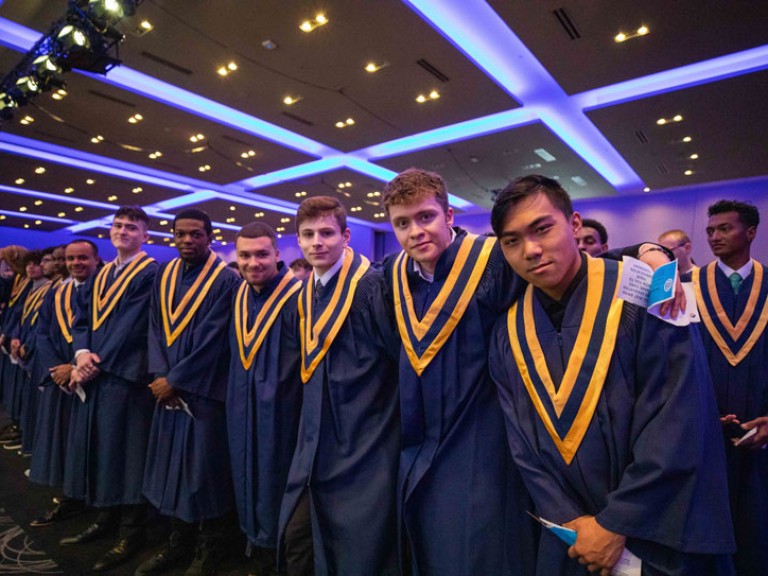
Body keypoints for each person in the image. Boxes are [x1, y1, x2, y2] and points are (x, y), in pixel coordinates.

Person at [488, 175, 735, 575]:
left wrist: (615, 524)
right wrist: (570, 520)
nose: (530, 250)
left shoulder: (647, 296)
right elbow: (522, 445)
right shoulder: (507, 330)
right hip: (571, 540)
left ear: (574, 225)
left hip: (655, 533)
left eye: (542, 228)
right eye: (512, 240)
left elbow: (678, 419)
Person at [381, 168, 537, 575]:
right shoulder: (394, 276)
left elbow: (567, 266)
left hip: (481, 433)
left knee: (481, 542)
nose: (415, 231)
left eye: (425, 217)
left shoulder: (493, 262)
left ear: (449, 215)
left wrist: (650, 251)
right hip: (418, 436)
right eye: (402, 223)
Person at [278, 196, 400, 576]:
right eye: (308, 234)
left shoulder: (373, 288)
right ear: (298, 240)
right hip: (315, 439)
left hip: (365, 437)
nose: (317, 242)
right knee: (298, 537)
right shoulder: (301, 295)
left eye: (327, 233)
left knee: (357, 542)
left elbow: (399, 363)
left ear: (346, 236)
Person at [139, 208, 240, 576]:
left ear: (210, 237)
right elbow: (153, 328)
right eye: (180, 234)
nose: (187, 240)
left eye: (196, 234)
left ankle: (210, 546)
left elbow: (214, 340)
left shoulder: (225, 281)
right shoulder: (164, 275)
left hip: (204, 392)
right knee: (171, 470)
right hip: (168, 391)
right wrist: (160, 374)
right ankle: (177, 543)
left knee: (204, 473)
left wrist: (176, 379)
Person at [64, 206, 158, 573]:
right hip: (98, 372)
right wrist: (81, 351)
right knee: (102, 450)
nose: (123, 231)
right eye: (118, 225)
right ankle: (106, 517)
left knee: (127, 454)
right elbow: (82, 317)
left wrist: (91, 364)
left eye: (131, 227)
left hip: (125, 376)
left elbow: (133, 326)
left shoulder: (149, 273)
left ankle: (132, 531)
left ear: (144, 235)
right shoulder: (102, 274)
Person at [691, 200, 768, 576]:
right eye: (710, 230)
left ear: (750, 232)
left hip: (761, 433)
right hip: (701, 434)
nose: (715, 237)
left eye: (724, 229)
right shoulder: (689, 286)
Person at [228, 222, 302, 576]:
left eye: (261, 254)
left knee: (276, 484)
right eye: (245, 255)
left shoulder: (298, 297)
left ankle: (280, 560)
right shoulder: (240, 295)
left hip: (284, 414)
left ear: (277, 254)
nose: (253, 262)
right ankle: (256, 549)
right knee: (248, 479)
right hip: (244, 408)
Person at [29, 239, 99, 526]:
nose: (75, 264)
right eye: (70, 259)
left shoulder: (105, 289)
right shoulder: (57, 291)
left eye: (83, 258)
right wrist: (57, 368)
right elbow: (42, 331)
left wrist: (75, 367)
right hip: (62, 379)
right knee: (64, 442)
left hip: (91, 378)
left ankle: (94, 499)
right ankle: (71, 496)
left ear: (96, 260)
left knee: (91, 445)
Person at [0, 245, 31, 447]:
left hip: (25, 341)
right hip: (12, 336)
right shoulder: (19, 280)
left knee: (22, 391)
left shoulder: (33, 284)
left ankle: (21, 428)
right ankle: (15, 423)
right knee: (13, 390)